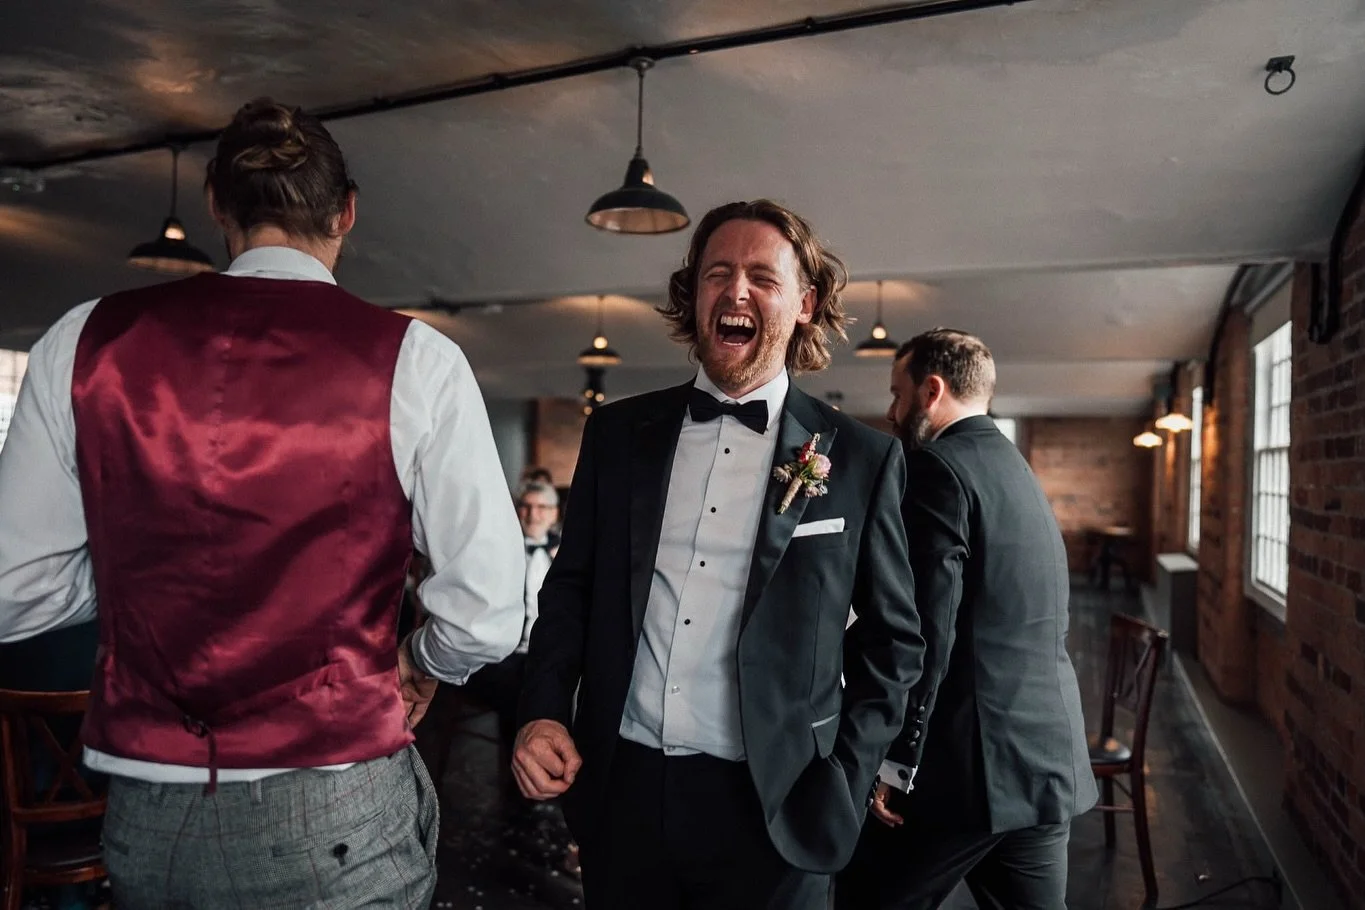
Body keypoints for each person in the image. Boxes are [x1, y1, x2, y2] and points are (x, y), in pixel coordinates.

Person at [0, 97, 525, 909]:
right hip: (333, 800)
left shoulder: (84, 340)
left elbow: (11, 590)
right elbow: (488, 611)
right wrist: (423, 661)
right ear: (346, 212)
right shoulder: (416, 361)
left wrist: (149, 579)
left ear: (217, 205)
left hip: (148, 810)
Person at [514, 199, 925, 909]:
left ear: (805, 303)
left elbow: (894, 644)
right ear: (693, 294)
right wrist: (544, 709)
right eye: (717, 274)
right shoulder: (617, 435)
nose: (735, 291)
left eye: (762, 277)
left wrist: (845, 775)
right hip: (624, 794)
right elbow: (570, 588)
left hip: (779, 809)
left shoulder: (863, 459)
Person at [836, 329, 1097, 910]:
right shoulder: (1016, 468)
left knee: (861, 900)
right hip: (1045, 760)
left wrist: (896, 760)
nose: (892, 411)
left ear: (932, 391)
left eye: (897, 394)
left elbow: (924, 633)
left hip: (969, 768)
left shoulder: (938, 469)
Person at [464, 479, 561, 751]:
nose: (533, 514)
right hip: (502, 653)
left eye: (542, 507)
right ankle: (516, 763)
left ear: (554, 514)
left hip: (545, 652)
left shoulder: (565, 554)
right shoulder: (496, 551)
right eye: (526, 506)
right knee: (518, 691)